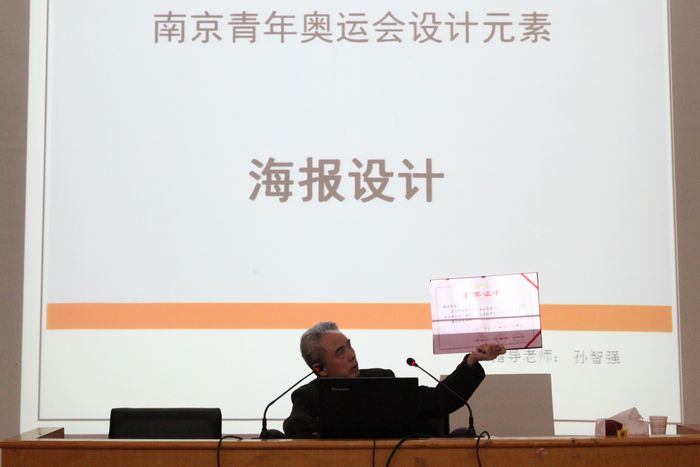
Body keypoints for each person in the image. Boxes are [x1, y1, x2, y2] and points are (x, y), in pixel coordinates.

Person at [283, 322, 506, 438]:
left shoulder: (382, 380)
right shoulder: (310, 395)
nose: (351, 354)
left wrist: (471, 361)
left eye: (349, 345)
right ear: (320, 369)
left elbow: (439, 400)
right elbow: (294, 426)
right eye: (340, 352)